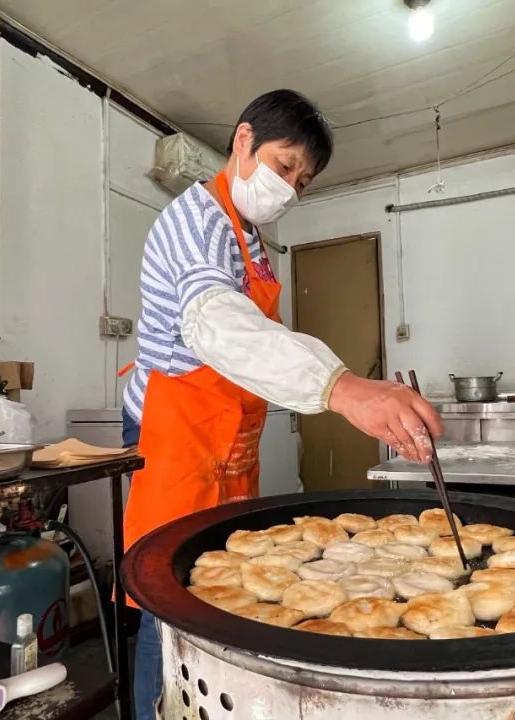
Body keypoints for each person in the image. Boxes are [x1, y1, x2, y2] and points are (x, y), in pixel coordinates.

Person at [120, 89, 442, 717]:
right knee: (168, 597)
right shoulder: (196, 222)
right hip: (175, 438)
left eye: (304, 179)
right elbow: (218, 325)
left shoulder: (252, 237)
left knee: (220, 581)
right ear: (243, 141)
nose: (291, 187)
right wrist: (345, 389)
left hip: (226, 443)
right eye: (284, 163)